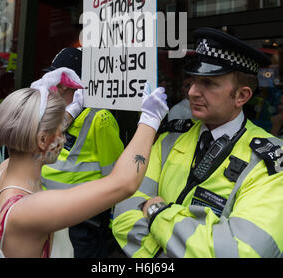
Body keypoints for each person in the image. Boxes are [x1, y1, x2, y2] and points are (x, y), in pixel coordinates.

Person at [112, 27, 283, 258]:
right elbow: (124, 208)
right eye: (193, 81)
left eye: (209, 83)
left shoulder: (271, 159)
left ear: (241, 96)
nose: (192, 91)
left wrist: (154, 211)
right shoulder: (170, 137)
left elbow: (241, 251)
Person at [0, 67, 168, 258]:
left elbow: (33, 129)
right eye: (60, 130)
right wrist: (150, 120)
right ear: (42, 140)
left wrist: (62, 109)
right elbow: (124, 184)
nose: (63, 137)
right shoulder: (29, 209)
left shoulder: (1, 175)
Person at [40, 48, 124, 258]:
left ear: (76, 86)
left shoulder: (100, 118)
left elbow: (115, 174)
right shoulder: (52, 113)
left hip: (84, 222)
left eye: (60, 83)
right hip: (49, 212)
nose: (53, 88)